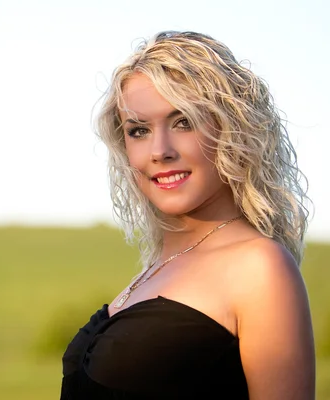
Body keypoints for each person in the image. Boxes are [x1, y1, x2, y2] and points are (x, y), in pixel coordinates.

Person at [60, 31, 315, 399]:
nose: (159, 151)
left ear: (233, 129)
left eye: (184, 122)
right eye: (139, 130)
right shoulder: (157, 267)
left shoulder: (259, 266)